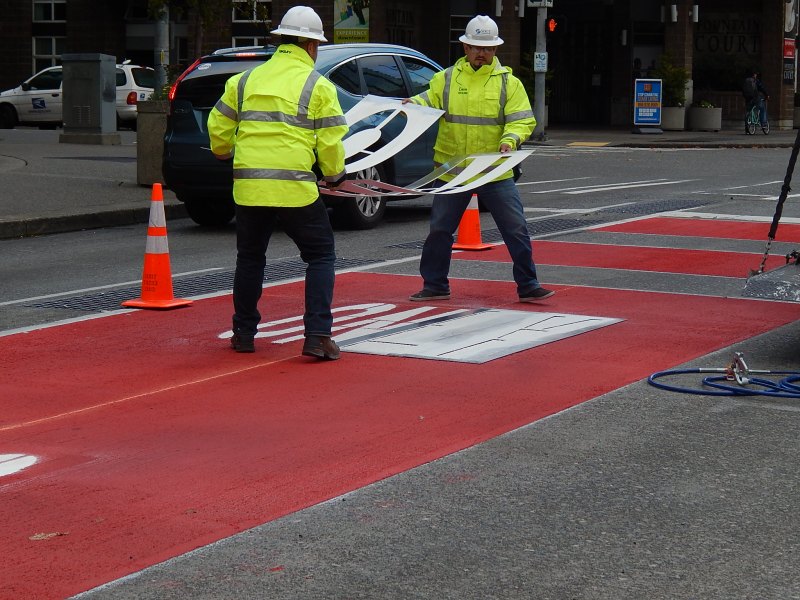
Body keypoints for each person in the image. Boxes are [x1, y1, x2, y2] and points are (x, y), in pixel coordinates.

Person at [207, 6, 348, 359]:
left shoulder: (244, 81)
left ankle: (243, 333)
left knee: (250, 258)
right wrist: (334, 175)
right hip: (294, 189)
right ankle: (317, 336)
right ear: (310, 45)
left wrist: (223, 151)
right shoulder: (318, 86)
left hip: (250, 187)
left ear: (282, 40)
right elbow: (330, 141)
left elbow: (218, 127)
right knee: (320, 255)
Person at [403, 15, 554, 303]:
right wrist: (413, 104)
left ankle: (528, 284)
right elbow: (429, 100)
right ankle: (435, 285)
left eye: (487, 48)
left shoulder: (508, 83)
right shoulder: (446, 78)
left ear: (495, 49)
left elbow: (521, 120)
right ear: (465, 47)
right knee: (439, 230)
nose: (482, 53)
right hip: (454, 170)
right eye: (476, 47)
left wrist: (510, 140)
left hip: (493, 170)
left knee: (516, 228)